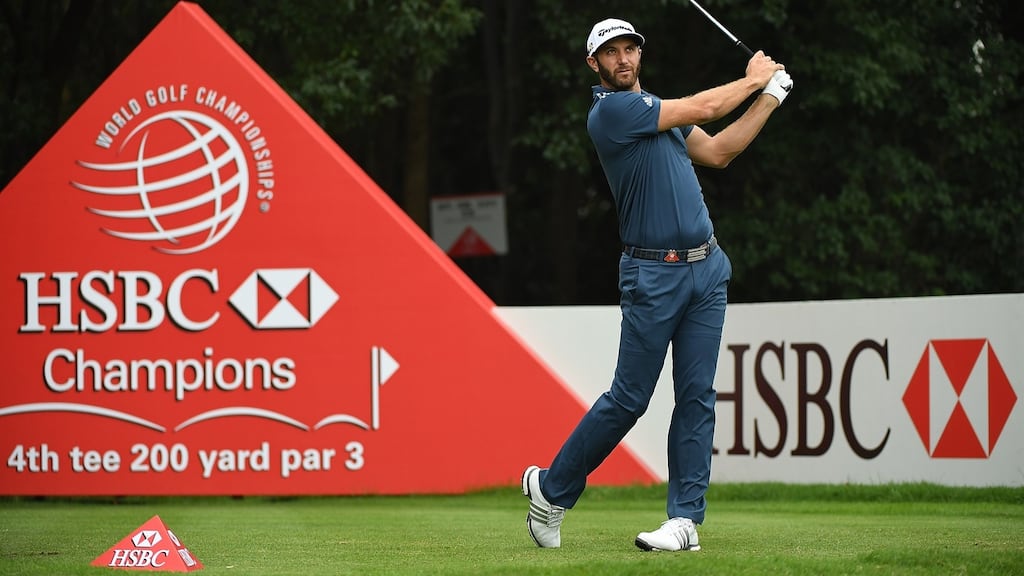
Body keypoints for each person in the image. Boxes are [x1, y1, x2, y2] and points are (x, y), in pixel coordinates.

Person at [522, 17, 792, 552]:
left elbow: (718, 151)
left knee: (697, 396)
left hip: (707, 269)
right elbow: (708, 108)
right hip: (653, 275)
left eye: (630, 50)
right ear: (593, 65)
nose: (623, 59)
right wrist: (754, 78)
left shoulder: (659, 114)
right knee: (628, 400)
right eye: (611, 53)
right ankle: (551, 492)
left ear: (639, 55)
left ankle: (684, 521)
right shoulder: (613, 113)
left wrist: (770, 101)